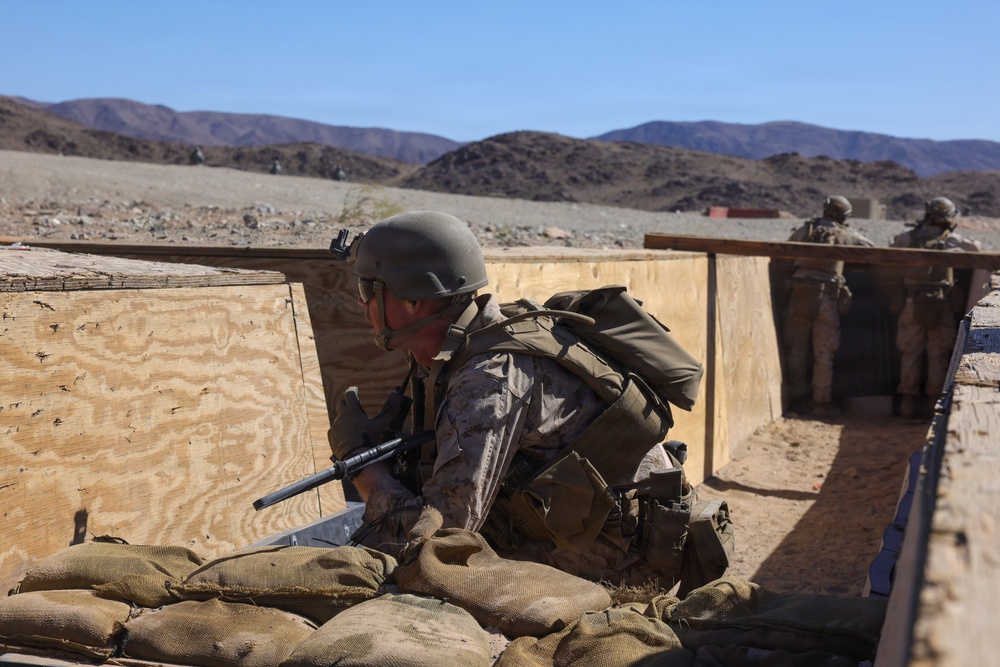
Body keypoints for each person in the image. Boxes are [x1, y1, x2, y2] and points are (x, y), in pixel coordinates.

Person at [327, 210, 704, 591]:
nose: (361, 304)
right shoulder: (476, 341)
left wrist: (361, 466)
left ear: (414, 300)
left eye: (367, 290)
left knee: (423, 579)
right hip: (611, 525)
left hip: (629, 562)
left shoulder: (488, 379)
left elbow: (442, 539)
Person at [783, 195, 874, 418]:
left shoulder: (805, 230)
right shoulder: (843, 234)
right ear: (844, 215)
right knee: (824, 353)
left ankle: (796, 399)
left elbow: (786, 251)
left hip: (799, 296)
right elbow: (870, 249)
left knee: (797, 350)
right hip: (826, 298)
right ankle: (821, 403)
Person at [889, 197, 980, 419]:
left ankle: (907, 405)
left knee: (910, 354)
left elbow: (891, 248)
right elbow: (976, 249)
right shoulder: (953, 240)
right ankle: (933, 406)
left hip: (913, 303)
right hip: (940, 306)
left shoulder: (907, 237)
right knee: (937, 355)